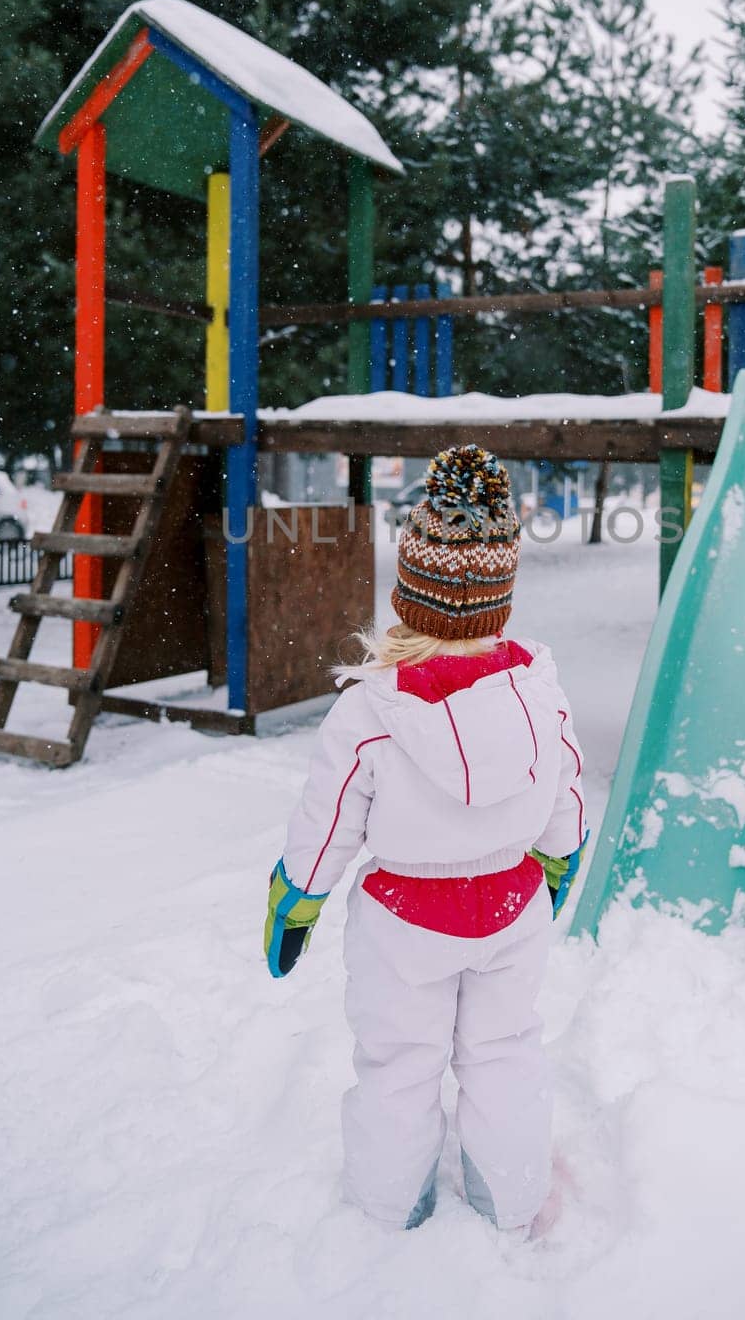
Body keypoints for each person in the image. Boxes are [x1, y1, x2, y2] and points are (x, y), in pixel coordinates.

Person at [263, 444, 587, 1233]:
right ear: (499, 599)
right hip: (511, 907)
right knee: (504, 1050)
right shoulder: (537, 696)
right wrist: (556, 859)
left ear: (409, 595)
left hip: (404, 917)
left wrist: (296, 896)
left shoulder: (371, 712)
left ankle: (389, 1200)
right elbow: (566, 791)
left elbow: (329, 816)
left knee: (399, 1062)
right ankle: (508, 1196)